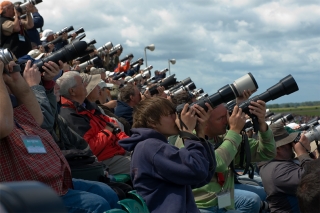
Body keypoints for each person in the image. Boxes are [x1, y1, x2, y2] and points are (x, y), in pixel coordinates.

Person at [0, 60, 121, 213]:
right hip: (23, 193)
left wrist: (16, 79)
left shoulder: (11, 103)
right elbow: (3, 126)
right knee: (96, 204)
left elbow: (38, 119)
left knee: (107, 193)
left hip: (51, 182)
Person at [176, 98, 276, 213]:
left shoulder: (222, 137)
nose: (227, 121)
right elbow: (218, 163)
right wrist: (234, 131)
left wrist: (262, 124)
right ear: (204, 122)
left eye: (227, 115)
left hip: (223, 200)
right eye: (221, 118)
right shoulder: (189, 140)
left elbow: (267, 152)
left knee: (255, 199)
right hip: (201, 206)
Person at [118, 97, 216, 213]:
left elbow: (203, 176)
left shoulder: (154, 146)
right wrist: (187, 133)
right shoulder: (151, 147)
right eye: (170, 114)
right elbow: (197, 171)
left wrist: (200, 133)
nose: (176, 118)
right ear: (152, 121)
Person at [57, 71, 131, 175]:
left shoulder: (87, 106)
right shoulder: (70, 115)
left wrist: (129, 142)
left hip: (116, 151)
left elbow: (114, 126)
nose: (86, 85)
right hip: (103, 159)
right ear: (72, 91)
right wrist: (107, 131)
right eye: (82, 83)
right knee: (144, 165)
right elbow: (89, 148)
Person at [259, 123, 314, 213]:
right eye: (289, 143)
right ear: (278, 149)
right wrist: (302, 153)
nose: (293, 146)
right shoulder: (278, 171)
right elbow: (313, 179)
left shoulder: (275, 164)